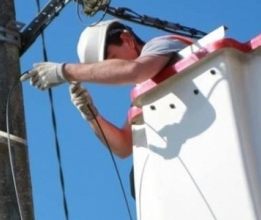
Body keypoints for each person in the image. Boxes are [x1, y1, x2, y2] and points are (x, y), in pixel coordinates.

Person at [21, 20, 193, 158]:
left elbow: (134, 71)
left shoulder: (161, 45)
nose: (112, 68)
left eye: (112, 59)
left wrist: (64, 71)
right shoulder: (146, 91)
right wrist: (92, 116)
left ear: (127, 40)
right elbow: (124, 146)